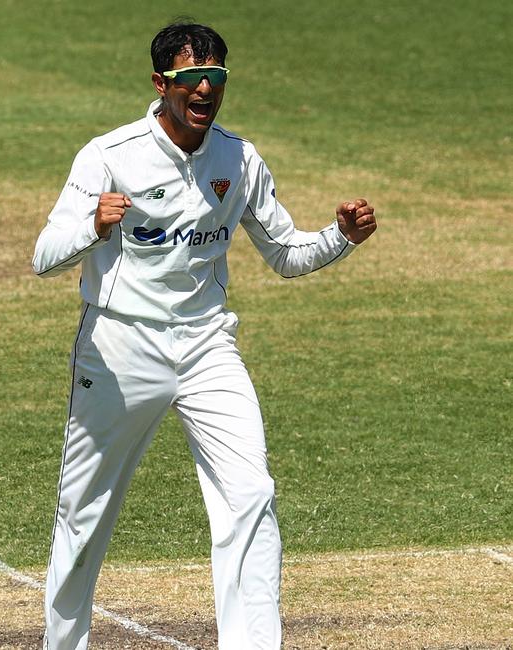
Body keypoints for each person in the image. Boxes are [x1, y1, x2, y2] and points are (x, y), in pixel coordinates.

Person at [32, 21, 376, 650]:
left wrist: (340, 237)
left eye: (215, 79)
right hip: (117, 349)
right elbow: (43, 254)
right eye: (192, 79)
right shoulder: (108, 154)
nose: (205, 91)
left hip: (207, 346)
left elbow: (285, 252)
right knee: (82, 518)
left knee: (252, 494)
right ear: (162, 83)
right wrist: (91, 224)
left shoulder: (238, 158)